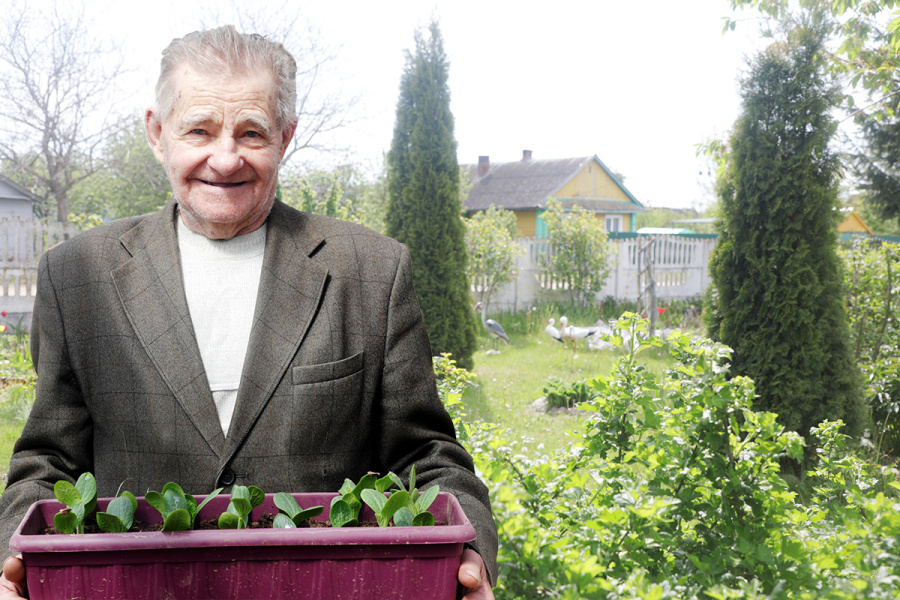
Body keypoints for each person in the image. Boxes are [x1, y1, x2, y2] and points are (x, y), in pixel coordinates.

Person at [0, 25, 497, 599]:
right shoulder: (76, 276)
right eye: (199, 130)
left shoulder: (372, 272)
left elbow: (427, 457)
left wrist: (470, 554)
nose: (226, 157)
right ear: (158, 134)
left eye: (252, 132)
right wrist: (16, 558)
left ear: (285, 137)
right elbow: (46, 462)